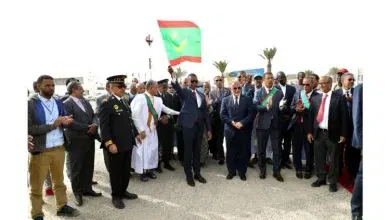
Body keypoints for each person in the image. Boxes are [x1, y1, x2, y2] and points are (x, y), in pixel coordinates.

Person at [28, 75, 80, 219]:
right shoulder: (31, 103)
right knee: (37, 186)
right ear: (38, 86)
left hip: (58, 147)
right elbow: (29, 128)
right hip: (41, 150)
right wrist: (53, 125)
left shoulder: (57, 101)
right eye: (47, 85)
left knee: (59, 182)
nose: (51, 88)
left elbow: (62, 118)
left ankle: (62, 206)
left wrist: (65, 121)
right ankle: (37, 214)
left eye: (52, 85)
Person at [99, 75, 141, 209]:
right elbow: (104, 127)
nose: (123, 88)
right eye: (120, 86)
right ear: (112, 88)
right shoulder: (107, 103)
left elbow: (129, 121)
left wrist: (136, 134)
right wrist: (109, 143)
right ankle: (116, 196)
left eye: (124, 86)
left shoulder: (124, 101)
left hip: (127, 143)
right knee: (116, 172)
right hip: (116, 145)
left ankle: (123, 191)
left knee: (125, 170)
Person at [168, 66, 212, 187]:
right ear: (188, 82)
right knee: (188, 152)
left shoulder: (202, 95)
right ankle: (189, 175)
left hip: (199, 128)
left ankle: (197, 173)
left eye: (195, 81)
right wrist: (173, 75)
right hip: (188, 127)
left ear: (197, 83)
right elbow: (177, 87)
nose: (193, 83)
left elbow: (205, 113)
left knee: (197, 151)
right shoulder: (185, 92)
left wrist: (209, 129)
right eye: (191, 81)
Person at [131, 80, 179, 182]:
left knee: (152, 150)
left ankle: (149, 170)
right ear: (151, 88)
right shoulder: (140, 98)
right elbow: (134, 115)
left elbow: (166, 109)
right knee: (142, 151)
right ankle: (142, 172)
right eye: (156, 87)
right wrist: (140, 130)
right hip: (143, 131)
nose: (158, 89)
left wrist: (179, 113)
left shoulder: (158, 99)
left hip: (152, 130)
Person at [307, 76, 348, 192]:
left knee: (334, 159)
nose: (320, 86)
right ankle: (321, 178)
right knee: (319, 157)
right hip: (319, 133)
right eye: (319, 83)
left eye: (323, 83)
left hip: (333, 134)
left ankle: (333, 181)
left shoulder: (339, 98)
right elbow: (311, 116)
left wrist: (343, 134)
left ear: (330, 84)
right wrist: (310, 132)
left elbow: (344, 118)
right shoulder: (316, 98)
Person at [63, 82, 102, 207]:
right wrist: (87, 127)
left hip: (89, 139)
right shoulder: (66, 104)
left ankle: (87, 189)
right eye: (81, 89)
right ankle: (77, 193)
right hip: (76, 141)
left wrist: (95, 125)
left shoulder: (85, 101)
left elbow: (94, 115)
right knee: (76, 168)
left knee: (88, 165)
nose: (83, 91)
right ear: (74, 89)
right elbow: (69, 122)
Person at [253, 72, 285, 182]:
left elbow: (283, 107)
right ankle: (262, 170)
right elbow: (255, 106)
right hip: (262, 124)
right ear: (264, 80)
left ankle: (277, 172)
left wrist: (282, 107)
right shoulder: (259, 92)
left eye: (271, 78)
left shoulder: (279, 92)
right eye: (268, 78)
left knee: (277, 150)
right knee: (261, 149)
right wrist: (266, 107)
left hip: (275, 125)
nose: (270, 80)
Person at [220, 80, 253, 181]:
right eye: (235, 88)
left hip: (243, 131)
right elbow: (222, 114)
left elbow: (251, 114)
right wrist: (232, 123)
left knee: (242, 153)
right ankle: (231, 172)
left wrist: (242, 123)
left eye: (239, 88)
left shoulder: (247, 99)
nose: (237, 90)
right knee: (230, 153)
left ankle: (242, 172)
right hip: (230, 131)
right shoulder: (225, 100)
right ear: (231, 89)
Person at [289, 77, 320, 179]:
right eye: (304, 84)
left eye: (307, 85)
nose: (305, 87)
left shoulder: (317, 96)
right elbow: (291, 107)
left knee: (309, 150)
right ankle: (298, 168)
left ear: (313, 84)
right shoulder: (298, 93)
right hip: (297, 126)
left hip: (309, 128)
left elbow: (316, 113)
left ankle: (308, 169)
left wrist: (304, 110)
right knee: (296, 149)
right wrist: (296, 109)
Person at [275, 71, 296, 169]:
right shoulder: (274, 89)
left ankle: (286, 160)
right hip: (278, 120)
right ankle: (280, 161)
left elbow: (294, 103)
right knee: (278, 142)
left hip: (289, 120)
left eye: (283, 77)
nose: (282, 79)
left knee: (288, 142)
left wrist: (290, 114)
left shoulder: (292, 88)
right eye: (280, 78)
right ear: (277, 79)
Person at [156, 79, 176, 172]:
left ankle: (167, 162)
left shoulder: (169, 96)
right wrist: (161, 118)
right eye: (163, 87)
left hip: (168, 124)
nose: (165, 89)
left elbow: (172, 109)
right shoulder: (154, 96)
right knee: (158, 145)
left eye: (166, 87)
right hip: (158, 125)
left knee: (167, 144)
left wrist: (167, 116)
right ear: (158, 87)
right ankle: (158, 164)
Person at [209, 76, 230, 165]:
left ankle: (229, 156)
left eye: (220, 80)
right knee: (219, 139)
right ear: (214, 82)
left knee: (227, 138)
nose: (219, 82)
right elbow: (211, 105)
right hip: (217, 118)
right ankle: (221, 157)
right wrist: (215, 101)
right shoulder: (212, 92)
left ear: (223, 81)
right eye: (217, 80)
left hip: (227, 117)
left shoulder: (228, 91)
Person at [350, 83, 363, 220]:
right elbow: (357, 118)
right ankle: (356, 211)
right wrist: (361, 143)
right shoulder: (362, 88)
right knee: (363, 174)